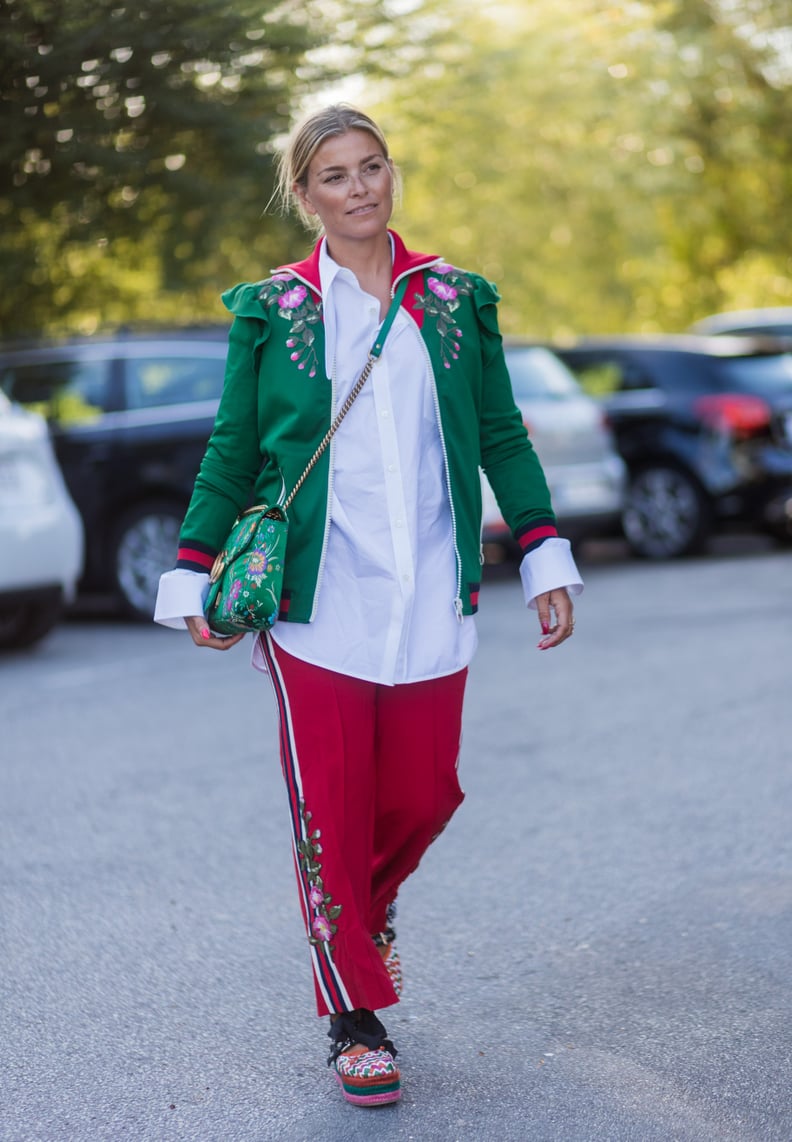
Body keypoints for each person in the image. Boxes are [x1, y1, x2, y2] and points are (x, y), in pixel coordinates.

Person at [154, 103, 582, 1107]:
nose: (360, 188)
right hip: (316, 607)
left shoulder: (454, 298)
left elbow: (504, 434)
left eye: (373, 167)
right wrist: (191, 567)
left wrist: (544, 551)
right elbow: (231, 447)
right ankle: (354, 1014)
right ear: (303, 195)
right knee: (330, 813)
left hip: (433, 593)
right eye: (335, 175)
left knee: (426, 792)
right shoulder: (273, 310)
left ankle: (355, 910)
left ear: (393, 175)